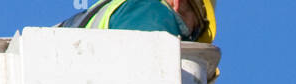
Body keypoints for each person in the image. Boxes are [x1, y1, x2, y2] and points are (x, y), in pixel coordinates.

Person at [58, 0, 216, 42]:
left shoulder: (115, 8)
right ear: (178, 2)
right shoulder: (153, 15)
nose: (190, 38)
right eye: (194, 31)